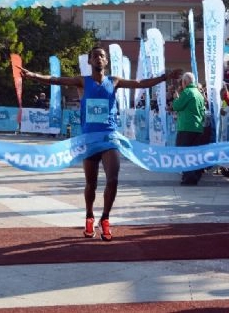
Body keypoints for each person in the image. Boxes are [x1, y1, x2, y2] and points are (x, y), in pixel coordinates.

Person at [19, 46, 181, 241]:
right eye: (95, 56)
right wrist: (33, 75)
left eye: (102, 56)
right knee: (91, 184)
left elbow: (140, 83)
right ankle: (89, 215)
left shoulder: (114, 81)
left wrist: (164, 77)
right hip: (89, 139)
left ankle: (105, 218)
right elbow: (56, 80)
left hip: (109, 138)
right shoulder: (82, 81)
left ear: (106, 61)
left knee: (113, 179)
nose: (98, 58)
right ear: (90, 61)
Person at [172, 72, 206, 186]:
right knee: (194, 154)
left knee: (184, 153)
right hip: (197, 127)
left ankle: (188, 177)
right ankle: (195, 176)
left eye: (182, 82)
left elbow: (176, 106)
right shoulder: (199, 93)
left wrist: (176, 98)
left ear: (185, 82)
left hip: (186, 127)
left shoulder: (187, 92)